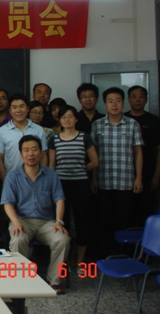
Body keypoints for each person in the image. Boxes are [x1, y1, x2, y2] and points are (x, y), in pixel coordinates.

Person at [1, 135, 70, 294]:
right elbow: (7, 203)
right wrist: (15, 222)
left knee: (62, 240)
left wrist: (59, 221)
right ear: (21, 154)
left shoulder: (51, 175)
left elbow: (59, 199)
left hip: (47, 222)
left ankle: (54, 281)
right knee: (17, 240)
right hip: (22, 220)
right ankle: (20, 281)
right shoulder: (13, 177)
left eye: (34, 149)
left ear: (40, 153)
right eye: (26, 150)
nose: (30, 154)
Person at [91, 87, 144, 256]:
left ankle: (125, 256)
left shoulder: (132, 124)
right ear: (105, 105)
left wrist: (139, 178)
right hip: (103, 181)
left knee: (125, 221)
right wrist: (94, 178)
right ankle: (104, 255)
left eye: (118, 101)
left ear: (124, 103)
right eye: (110, 101)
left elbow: (138, 152)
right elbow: (93, 153)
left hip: (126, 182)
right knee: (103, 221)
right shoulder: (97, 125)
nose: (114, 104)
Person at [48, 105, 98, 265]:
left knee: (82, 222)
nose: (67, 120)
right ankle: (65, 260)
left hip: (81, 184)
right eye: (63, 117)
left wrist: (80, 168)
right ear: (59, 120)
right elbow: (51, 166)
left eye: (70, 116)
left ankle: (80, 261)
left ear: (76, 119)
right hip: (61, 185)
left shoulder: (84, 137)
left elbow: (94, 161)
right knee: (63, 222)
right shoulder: (54, 139)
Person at [0, 94, 49, 183]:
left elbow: (43, 155)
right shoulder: (2, 131)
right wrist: (6, 181)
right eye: (14, 107)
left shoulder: (38, 129)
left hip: (36, 179)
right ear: (10, 111)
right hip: (12, 180)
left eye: (21, 106)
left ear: (27, 108)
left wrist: (42, 178)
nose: (18, 110)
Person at [125, 85, 160, 223]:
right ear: (128, 99)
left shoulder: (154, 121)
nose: (137, 100)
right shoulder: (123, 119)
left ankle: (146, 236)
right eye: (134, 97)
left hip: (148, 172)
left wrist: (156, 176)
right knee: (127, 211)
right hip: (126, 173)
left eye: (141, 97)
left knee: (146, 210)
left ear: (146, 99)